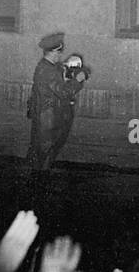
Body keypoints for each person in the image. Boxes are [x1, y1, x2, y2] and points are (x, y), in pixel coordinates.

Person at [26, 32, 91, 173]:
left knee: (44, 152)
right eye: (59, 52)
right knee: (45, 152)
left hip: (48, 116)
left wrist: (71, 69)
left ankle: (38, 180)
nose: (61, 55)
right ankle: (38, 183)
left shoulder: (49, 66)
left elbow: (61, 73)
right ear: (52, 52)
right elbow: (64, 92)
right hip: (48, 118)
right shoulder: (47, 71)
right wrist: (78, 79)